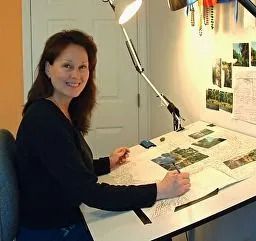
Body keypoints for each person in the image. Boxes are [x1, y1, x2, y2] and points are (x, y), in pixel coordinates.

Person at [15, 29, 191, 241]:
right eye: (67, 66)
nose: (76, 75)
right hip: (53, 230)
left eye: (83, 67)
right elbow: (89, 193)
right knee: (157, 232)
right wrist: (159, 190)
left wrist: (107, 163)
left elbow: (68, 168)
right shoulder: (44, 120)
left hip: (64, 216)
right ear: (48, 68)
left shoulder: (58, 110)